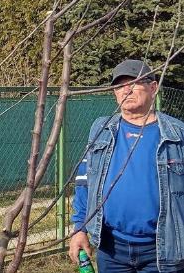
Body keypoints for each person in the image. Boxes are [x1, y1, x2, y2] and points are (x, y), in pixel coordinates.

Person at [70, 59, 184, 273]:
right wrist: (80, 228)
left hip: (162, 251)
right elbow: (85, 183)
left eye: (134, 83)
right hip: (112, 250)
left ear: (153, 88)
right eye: (119, 86)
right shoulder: (101, 130)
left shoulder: (177, 135)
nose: (126, 90)